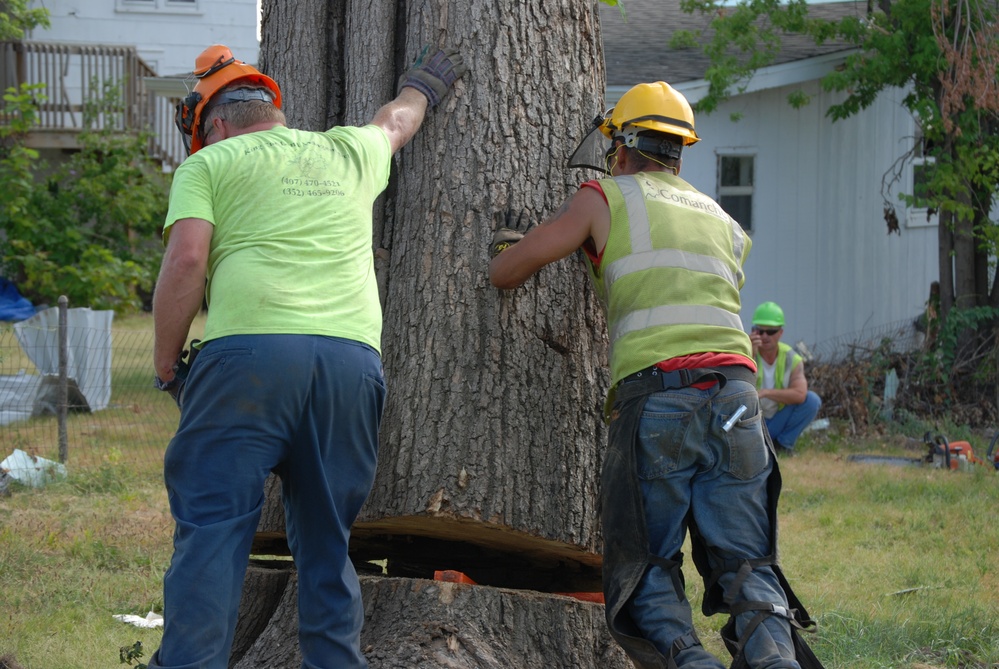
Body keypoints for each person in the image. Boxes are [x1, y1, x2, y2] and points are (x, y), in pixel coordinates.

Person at [150, 44, 468, 669]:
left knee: (212, 536)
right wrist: (422, 89)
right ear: (271, 109)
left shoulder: (209, 164)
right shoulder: (347, 150)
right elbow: (396, 122)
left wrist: (166, 365)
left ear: (212, 125)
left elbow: (186, 260)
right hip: (349, 365)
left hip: (247, 361)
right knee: (327, 543)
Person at [489, 82, 823, 669]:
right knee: (748, 566)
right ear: (680, 151)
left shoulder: (602, 197)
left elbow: (507, 272)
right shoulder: (723, 220)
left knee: (644, 568)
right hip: (739, 401)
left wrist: (507, 244)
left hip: (659, 400)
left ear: (620, 145)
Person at [749, 302, 822, 455]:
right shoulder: (745, 354)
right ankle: (757, 445)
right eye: (760, 331)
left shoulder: (791, 358)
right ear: (753, 331)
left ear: (780, 333)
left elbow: (800, 394)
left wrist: (765, 392)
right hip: (750, 423)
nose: (764, 336)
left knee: (812, 400)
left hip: (776, 420)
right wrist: (751, 355)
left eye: (771, 331)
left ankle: (782, 445)